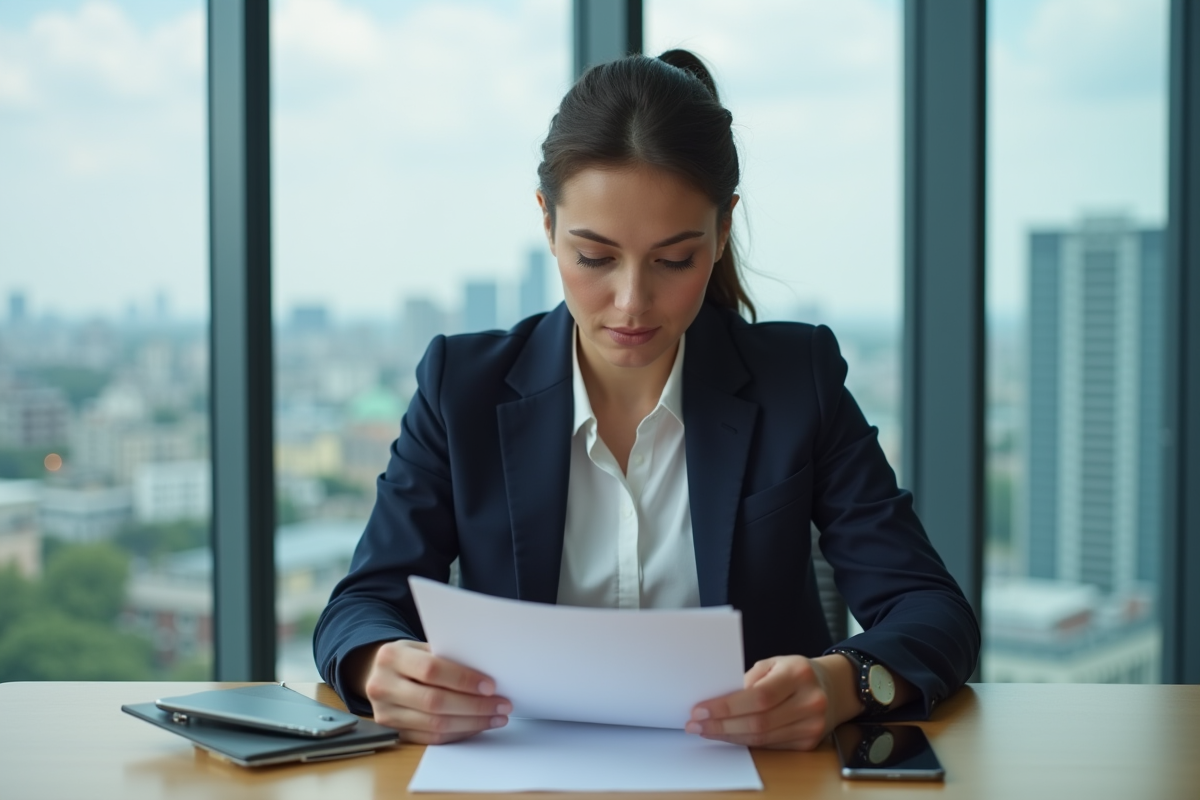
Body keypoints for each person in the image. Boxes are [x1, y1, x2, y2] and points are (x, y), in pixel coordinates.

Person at [314, 50, 979, 750]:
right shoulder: (462, 388)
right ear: (547, 223)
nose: (632, 301)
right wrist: (377, 664)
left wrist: (843, 683)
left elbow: (932, 610)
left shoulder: (796, 380)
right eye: (595, 257)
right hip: (520, 774)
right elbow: (361, 605)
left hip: (758, 777)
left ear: (722, 232)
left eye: (674, 260)